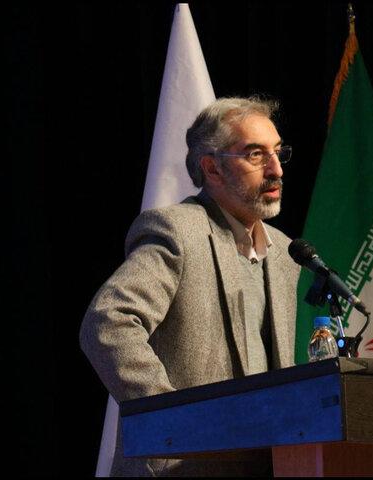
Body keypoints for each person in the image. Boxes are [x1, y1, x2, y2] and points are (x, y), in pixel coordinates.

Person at [79, 96, 300, 476]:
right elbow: (107, 322)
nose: (276, 169)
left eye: (278, 152)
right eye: (256, 155)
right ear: (212, 168)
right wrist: (171, 418)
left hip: (267, 463)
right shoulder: (177, 232)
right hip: (184, 466)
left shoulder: (284, 252)